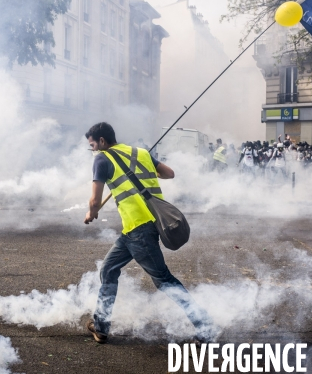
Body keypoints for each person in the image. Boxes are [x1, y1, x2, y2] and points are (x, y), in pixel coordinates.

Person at [83, 122, 214, 344]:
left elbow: (95, 200)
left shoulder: (102, 159)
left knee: (164, 280)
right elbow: (169, 173)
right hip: (142, 227)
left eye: (93, 145)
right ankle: (101, 326)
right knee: (108, 269)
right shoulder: (140, 153)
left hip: (139, 229)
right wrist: (143, 171)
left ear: (102, 141)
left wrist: (91, 212)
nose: (93, 150)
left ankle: (205, 325)